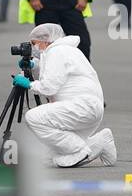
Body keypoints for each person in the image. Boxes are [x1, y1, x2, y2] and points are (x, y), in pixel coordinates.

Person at [13, 24, 116, 168]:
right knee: (51, 155)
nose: (32, 47)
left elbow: (49, 87)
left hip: (79, 107)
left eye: (34, 43)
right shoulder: (66, 51)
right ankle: (101, 141)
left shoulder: (56, 52)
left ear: (46, 40)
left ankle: (79, 150)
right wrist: (34, 65)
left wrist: (29, 84)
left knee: (33, 118)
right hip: (87, 108)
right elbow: (54, 72)